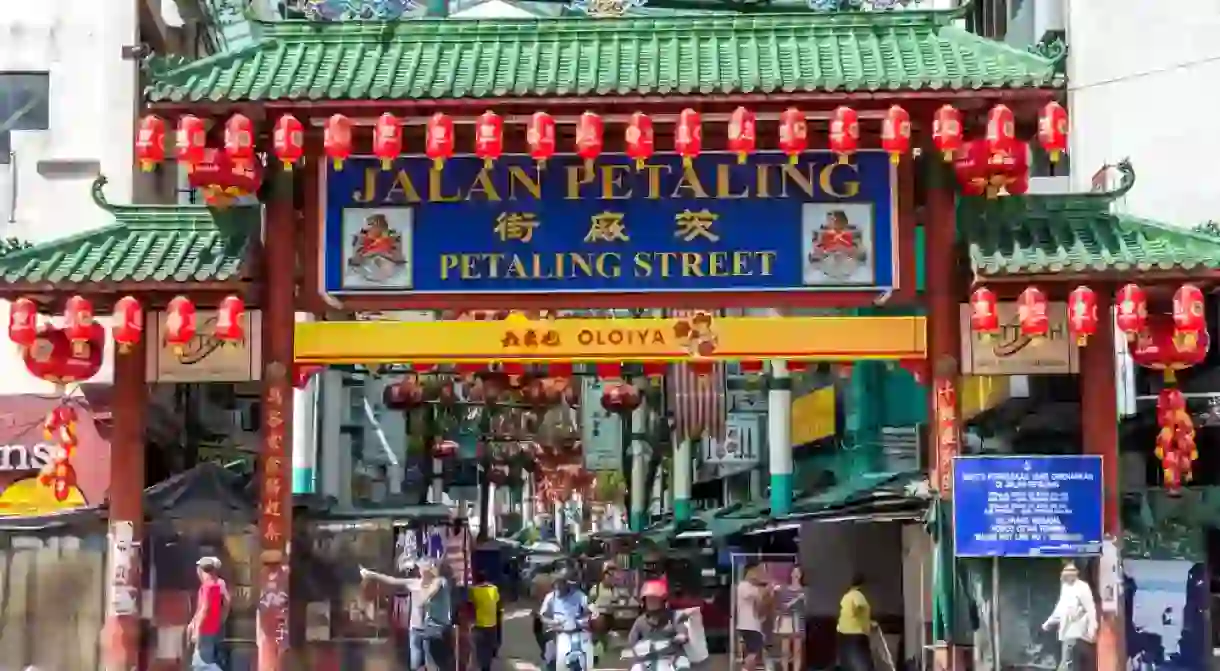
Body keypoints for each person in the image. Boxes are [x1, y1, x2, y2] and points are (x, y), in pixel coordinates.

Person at [362, 559, 454, 671]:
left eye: (424, 568)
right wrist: (372, 575)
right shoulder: (415, 583)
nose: (421, 571)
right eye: (421, 568)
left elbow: (426, 597)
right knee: (416, 664)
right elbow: (392, 581)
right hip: (416, 629)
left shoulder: (439, 582)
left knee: (432, 662)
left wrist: (423, 593)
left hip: (433, 629)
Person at [1042, 562, 1097, 671]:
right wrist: (1048, 623)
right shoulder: (1068, 587)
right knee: (1070, 663)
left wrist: (1092, 628)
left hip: (1074, 632)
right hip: (1073, 633)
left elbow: (1090, 609)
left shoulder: (1080, 588)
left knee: (1067, 664)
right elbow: (1060, 609)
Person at [626, 579, 690, 671]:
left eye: (655, 599)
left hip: (671, 657)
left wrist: (682, 636)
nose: (651, 602)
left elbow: (683, 630)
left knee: (683, 664)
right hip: (648, 658)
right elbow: (632, 640)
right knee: (636, 668)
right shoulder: (640, 621)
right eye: (649, 599)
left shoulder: (674, 617)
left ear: (663, 601)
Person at [539, 567, 591, 671]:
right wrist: (552, 622)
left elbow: (591, 614)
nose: (558, 585)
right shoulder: (550, 597)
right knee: (550, 659)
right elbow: (542, 616)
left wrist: (578, 622)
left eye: (562, 582)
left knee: (578, 660)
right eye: (557, 582)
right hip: (556, 634)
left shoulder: (580, 597)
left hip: (575, 634)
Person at [188, 556, 230, 671]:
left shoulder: (207, 586)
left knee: (202, 664)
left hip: (205, 629)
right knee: (201, 662)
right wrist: (221, 619)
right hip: (213, 627)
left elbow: (204, 608)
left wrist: (197, 631)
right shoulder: (218, 584)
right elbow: (227, 602)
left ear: (201, 570)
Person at [735, 563, 770, 671]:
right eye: (756, 571)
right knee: (753, 653)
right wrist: (766, 588)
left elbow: (761, 604)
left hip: (754, 625)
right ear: (749, 572)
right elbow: (755, 595)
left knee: (753, 652)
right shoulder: (743, 586)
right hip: (748, 625)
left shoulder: (754, 587)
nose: (758, 574)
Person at [836, 574, 874, 671]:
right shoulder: (858, 595)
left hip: (843, 632)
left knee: (847, 661)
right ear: (863, 585)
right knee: (862, 661)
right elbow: (858, 607)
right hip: (856, 632)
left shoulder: (846, 596)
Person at [469, 570, 502, 671]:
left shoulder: (473, 590)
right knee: (488, 647)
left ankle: (481, 666)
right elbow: (497, 604)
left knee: (479, 648)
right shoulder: (494, 589)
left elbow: (470, 604)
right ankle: (486, 667)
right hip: (492, 623)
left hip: (478, 624)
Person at [776, 567, 806, 671]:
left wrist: (803, 599)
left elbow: (807, 607)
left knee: (797, 650)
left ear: (801, 575)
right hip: (787, 621)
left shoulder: (804, 591)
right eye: (794, 572)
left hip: (798, 621)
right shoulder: (784, 590)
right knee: (785, 650)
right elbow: (782, 606)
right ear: (791, 574)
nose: (796, 574)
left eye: (798, 572)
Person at [589, 562, 620, 662]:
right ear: (604, 575)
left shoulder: (614, 589)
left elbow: (617, 603)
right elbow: (589, 602)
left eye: (612, 575)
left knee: (607, 642)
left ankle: (605, 658)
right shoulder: (596, 588)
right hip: (598, 618)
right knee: (597, 639)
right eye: (608, 575)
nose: (610, 578)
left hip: (610, 617)